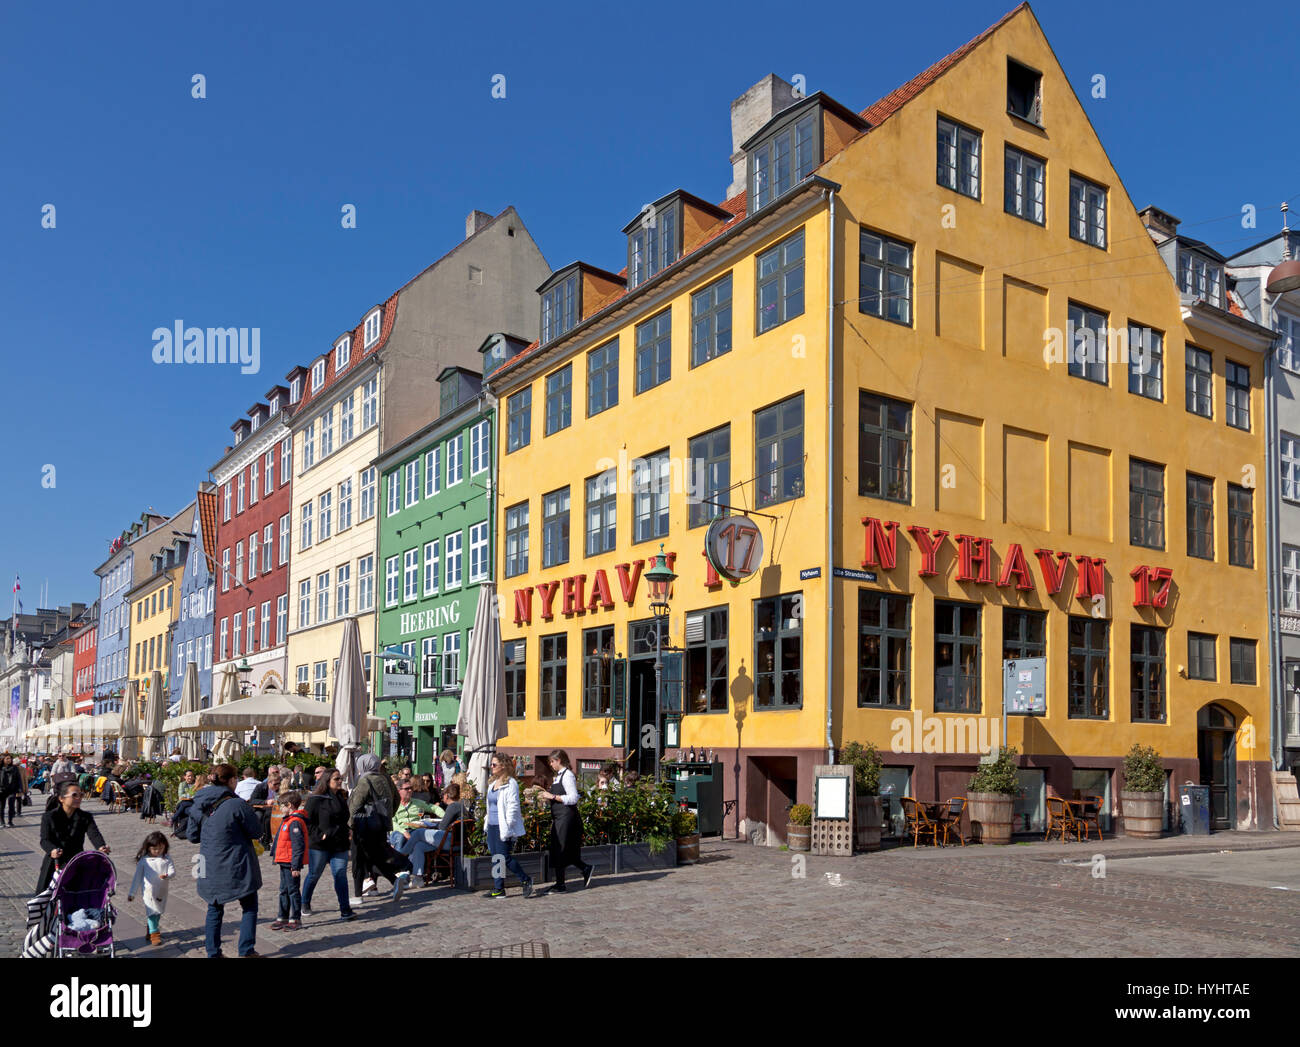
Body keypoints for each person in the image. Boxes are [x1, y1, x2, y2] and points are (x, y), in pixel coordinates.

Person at [193, 763, 264, 958]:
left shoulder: (198, 801)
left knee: (214, 908)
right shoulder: (237, 804)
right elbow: (257, 831)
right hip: (237, 862)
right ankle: (246, 950)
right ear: (232, 781)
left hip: (208, 862)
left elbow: (192, 834)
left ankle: (213, 953)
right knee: (249, 905)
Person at [347, 754, 411, 903]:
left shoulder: (365, 780)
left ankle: (357, 896)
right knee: (374, 857)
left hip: (364, 826)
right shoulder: (386, 778)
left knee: (359, 859)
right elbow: (396, 800)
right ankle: (394, 881)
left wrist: (350, 826)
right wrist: (386, 816)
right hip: (381, 826)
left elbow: (355, 806)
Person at [37, 780, 110, 893]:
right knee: (46, 896)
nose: (79, 798)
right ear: (62, 798)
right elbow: (44, 840)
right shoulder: (49, 817)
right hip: (55, 861)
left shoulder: (85, 817)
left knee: (76, 896)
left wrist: (101, 846)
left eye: (81, 795)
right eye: (74, 795)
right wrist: (52, 850)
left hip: (76, 861)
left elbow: (94, 834)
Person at [302, 769, 355, 921]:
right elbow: (307, 821)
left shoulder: (340, 796)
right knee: (314, 874)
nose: (340, 781)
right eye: (337, 778)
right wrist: (320, 834)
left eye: (341, 778)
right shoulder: (315, 799)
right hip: (320, 845)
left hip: (339, 843)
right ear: (327, 780)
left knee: (340, 875)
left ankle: (345, 909)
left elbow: (342, 819)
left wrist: (348, 829)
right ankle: (304, 902)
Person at [540, 749, 593, 893]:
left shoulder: (568, 775)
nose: (551, 764)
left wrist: (552, 797)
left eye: (552, 761)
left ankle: (561, 884)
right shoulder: (558, 777)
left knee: (561, 848)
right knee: (561, 848)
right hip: (559, 816)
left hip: (566, 816)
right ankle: (584, 868)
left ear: (559, 760)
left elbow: (573, 798)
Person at [485, 753, 533, 899]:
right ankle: (498, 888)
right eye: (491, 764)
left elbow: (513, 805)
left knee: (504, 857)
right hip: (492, 824)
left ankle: (525, 879)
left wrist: (510, 824)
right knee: (496, 857)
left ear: (503, 766)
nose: (491, 767)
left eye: (494, 764)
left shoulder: (511, 783)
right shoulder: (493, 783)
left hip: (503, 825)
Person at [386, 780, 443, 881]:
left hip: (414, 830)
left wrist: (445, 818)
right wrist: (403, 831)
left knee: (417, 842)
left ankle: (409, 871)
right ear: (399, 791)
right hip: (398, 831)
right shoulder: (394, 804)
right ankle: (399, 869)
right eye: (407, 789)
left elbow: (434, 808)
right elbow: (392, 822)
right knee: (400, 837)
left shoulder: (417, 803)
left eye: (411, 788)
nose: (410, 790)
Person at [128, 831, 175, 946]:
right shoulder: (144, 861)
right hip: (148, 892)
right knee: (152, 912)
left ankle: (150, 930)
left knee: (158, 912)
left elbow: (172, 871)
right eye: (154, 849)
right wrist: (132, 893)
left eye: (160, 848)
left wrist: (167, 875)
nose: (158, 851)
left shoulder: (167, 858)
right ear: (148, 848)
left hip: (162, 891)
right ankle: (155, 935)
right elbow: (137, 878)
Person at [270, 791, 307, 931]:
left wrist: (296, 866)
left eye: (282, 805)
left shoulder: (295, 822)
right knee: (283, 890)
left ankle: (295, 918)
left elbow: (298, 845)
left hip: (291, 862)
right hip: (284, 861)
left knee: (293, 891)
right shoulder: (287, 820)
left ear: (289, 805)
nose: (280, 808)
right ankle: (282, 916)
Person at [1, 754, 24, 826]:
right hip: (2, 789)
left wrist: (20, 788)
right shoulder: (0, 768)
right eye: (7, 759)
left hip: (12, 789)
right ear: (3, 760)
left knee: (11, 806)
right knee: (1, 806)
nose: (9, 760)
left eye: (10, 758)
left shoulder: (14, 768)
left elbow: (18, 779)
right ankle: (2, 822)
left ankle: (10, 821)